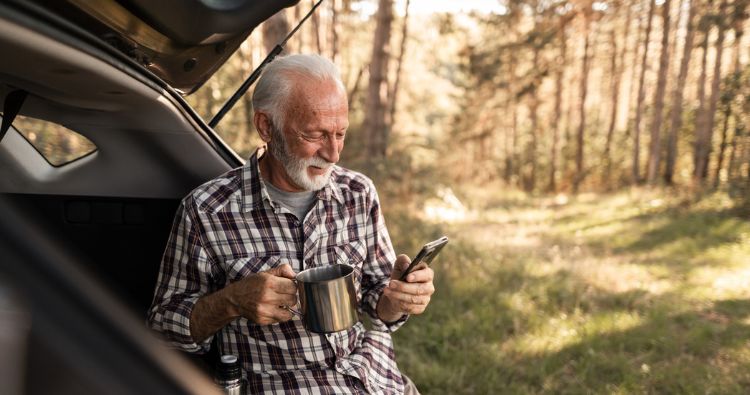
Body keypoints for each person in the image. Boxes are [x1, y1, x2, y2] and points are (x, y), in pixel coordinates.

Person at [147, 54, 435, 394]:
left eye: (340, 133)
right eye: (315, 135)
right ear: (266, 126)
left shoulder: (358, 193)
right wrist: (232, 301)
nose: (333, 153)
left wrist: (398, 298)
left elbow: (378, 301)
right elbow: (163, 329)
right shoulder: (206, 210)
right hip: (280, 383)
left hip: (369, 376)